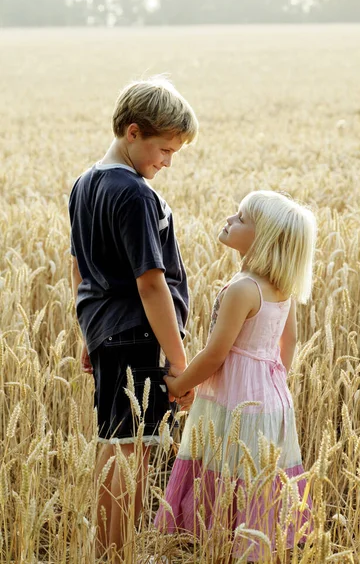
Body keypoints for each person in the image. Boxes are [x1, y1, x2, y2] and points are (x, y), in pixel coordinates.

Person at [68, 76, 198, 557]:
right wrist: (180, 361)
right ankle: (116, 552)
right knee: (132, 450)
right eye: (164, 150)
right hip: (137, 335)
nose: (166, 162)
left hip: (107, 332)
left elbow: (81, 267)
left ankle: (108, 550)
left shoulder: (85, 183)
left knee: (116, 442)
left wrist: (89, 332)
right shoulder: (135, 194)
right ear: (134, 131)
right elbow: (150, 282)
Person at [155, 190, 316, 562]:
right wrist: (270, 380)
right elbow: (287, 343)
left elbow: (215, 352)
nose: (230, 219)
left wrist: (180, 385)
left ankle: (220, 544)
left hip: (234, 396)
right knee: (254, 475)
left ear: (264, 239)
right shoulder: (282, 288)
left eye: (241, 218)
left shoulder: (244, 288)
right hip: (269, 395)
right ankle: (251, 544)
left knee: (224, 468)